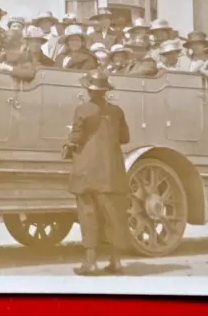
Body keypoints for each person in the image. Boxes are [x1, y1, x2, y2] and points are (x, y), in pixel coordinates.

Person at [65, 69, 130, 276]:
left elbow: (76, 138)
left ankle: (90, 263)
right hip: (112, 172)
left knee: (88, 213)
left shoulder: (82, 110)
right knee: (114, 215)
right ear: (105, 91)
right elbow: (125, 138)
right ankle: (116, 261)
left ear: (88, 90)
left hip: (87, 170)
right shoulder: (117, 111)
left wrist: (69, 142)